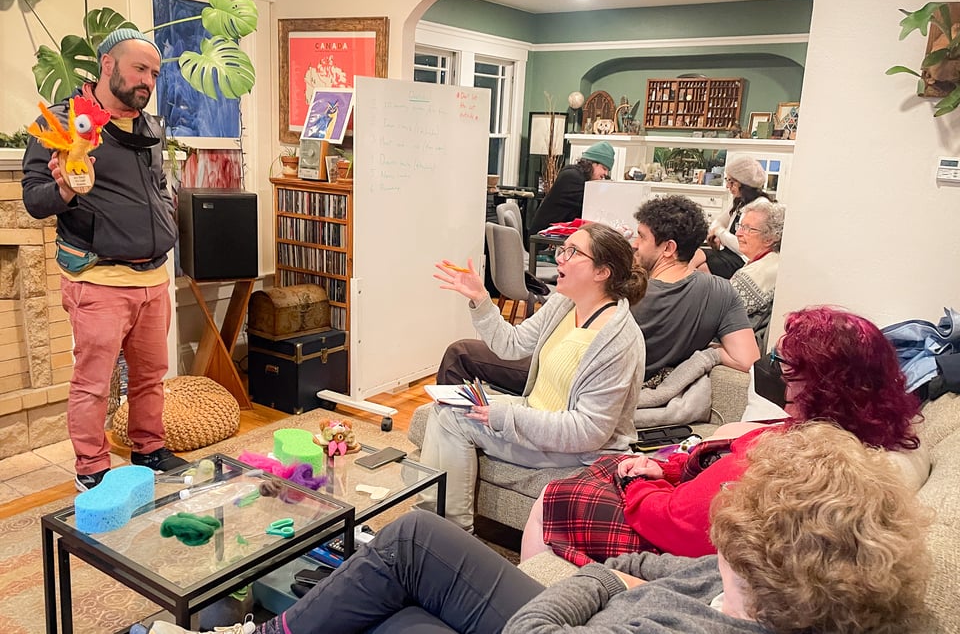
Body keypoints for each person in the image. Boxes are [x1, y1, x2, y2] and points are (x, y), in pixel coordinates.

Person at [150, 422, 933, 634]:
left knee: (402, 611)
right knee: (416, 541)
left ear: (764, 559)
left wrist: (599, 578)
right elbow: (672, 572)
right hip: (590, 604)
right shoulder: (767, 591)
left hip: (559, 616)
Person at [521, 306, 926, 565]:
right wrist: (664, 471)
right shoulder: (845, 430)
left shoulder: (796, 458)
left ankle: (533, 591)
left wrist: (643, 482)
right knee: (609, 464)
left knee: (556, 494)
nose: (779, 374)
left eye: (787, 366)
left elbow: (679, 523)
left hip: (677, 539)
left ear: (820, 382)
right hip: (684, 501)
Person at [21, 28, 187, 491]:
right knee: (94, 384)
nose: (148, 81)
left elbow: (154, 187)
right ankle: (92, 469)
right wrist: (64, 188)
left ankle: (149, 449)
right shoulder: (60, 124)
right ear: (107, 65)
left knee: (151, 376)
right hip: (98, 279)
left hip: (153, 279)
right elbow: (35, 200)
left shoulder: (150, 128)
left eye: (154, 73)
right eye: (139, 69)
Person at [422, 222, 647, 531]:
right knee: (446, 406)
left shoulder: (618, 339)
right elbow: (511, 344)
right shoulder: (564, 303)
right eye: (562, 249)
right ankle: (429, 515)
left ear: (601, 272)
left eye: (572, 252)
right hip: (535, 414)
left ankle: (453, 533)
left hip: (576, 451)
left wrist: (505, 416)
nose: (559, 258)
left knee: (452, 419)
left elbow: (589, 431)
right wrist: (481, 299)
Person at [437, 195, 759, 395]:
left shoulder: (621, 291)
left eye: (642, 238)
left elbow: (520, 345)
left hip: (572, 376)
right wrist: (707, 354)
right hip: (628, 387)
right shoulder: (719, 292)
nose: (634, 244)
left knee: (460, 353)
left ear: (668, 248)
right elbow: (748, 360)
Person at [691, 156, 774, 278]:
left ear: (744, 184)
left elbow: (743, 245)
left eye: (731, 182)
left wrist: (719, 233)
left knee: (702, 269)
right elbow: (717, 222)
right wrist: (718, 233)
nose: (727, 186)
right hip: (728, 252)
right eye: (727, 180)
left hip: (743, 259)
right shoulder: (740, 201)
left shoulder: (760, 206)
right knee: (693, 256)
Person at [729, 202, 785, 349]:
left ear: (770, 238)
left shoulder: (761, 271)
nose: (738, 233)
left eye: (748, 229)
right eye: (740, 226)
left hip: (741, 346)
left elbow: (719, 311)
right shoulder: (773, 260)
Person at [528, 141, 614, 234]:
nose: (605, 174)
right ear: (593, 163)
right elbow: (590, 207)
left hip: (558, 234)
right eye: (604, 168)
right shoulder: (572, 177)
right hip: (544, 237)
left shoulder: (581, 177)